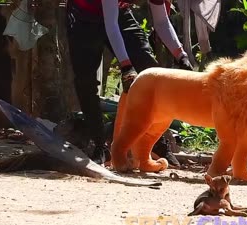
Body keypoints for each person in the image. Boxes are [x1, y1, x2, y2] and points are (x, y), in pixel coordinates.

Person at [66, 0, 193, 165]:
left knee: (149, 70)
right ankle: (100, 145)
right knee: (85, 82)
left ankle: (155, 144)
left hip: (118, 13)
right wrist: (126, 66)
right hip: (84, 16)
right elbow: (110, 26)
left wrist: (181, 56)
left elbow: (161, 22)